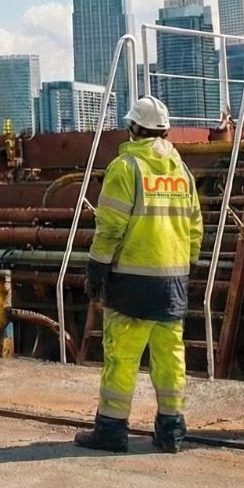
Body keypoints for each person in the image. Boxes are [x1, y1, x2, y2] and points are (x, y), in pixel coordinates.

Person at [75, 96, 203, 454]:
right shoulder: (181, 171)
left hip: (132, 280)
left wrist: (97, 267)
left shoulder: (125, 166)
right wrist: (185, 265)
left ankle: (112, 430)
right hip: (172, 281)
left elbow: (111, 227)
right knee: (170, 358)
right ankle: (172, 430)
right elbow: (195, 226)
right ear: (165, 130)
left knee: (122, 357)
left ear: (133, 128)